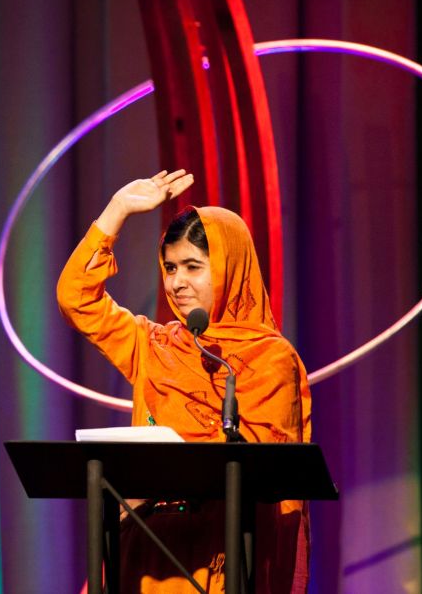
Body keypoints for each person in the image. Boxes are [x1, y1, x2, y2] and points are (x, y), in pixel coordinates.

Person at [57, 169, 311, 593]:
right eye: (170, 268)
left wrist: (159, 481)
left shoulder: (271, 357)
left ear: (231, 265)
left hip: (218, 564)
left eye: (193, 267)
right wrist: (116, 211)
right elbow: (76, 299)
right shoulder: (152, 344)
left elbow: (268, 469)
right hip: (144, 562)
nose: (176, 284)